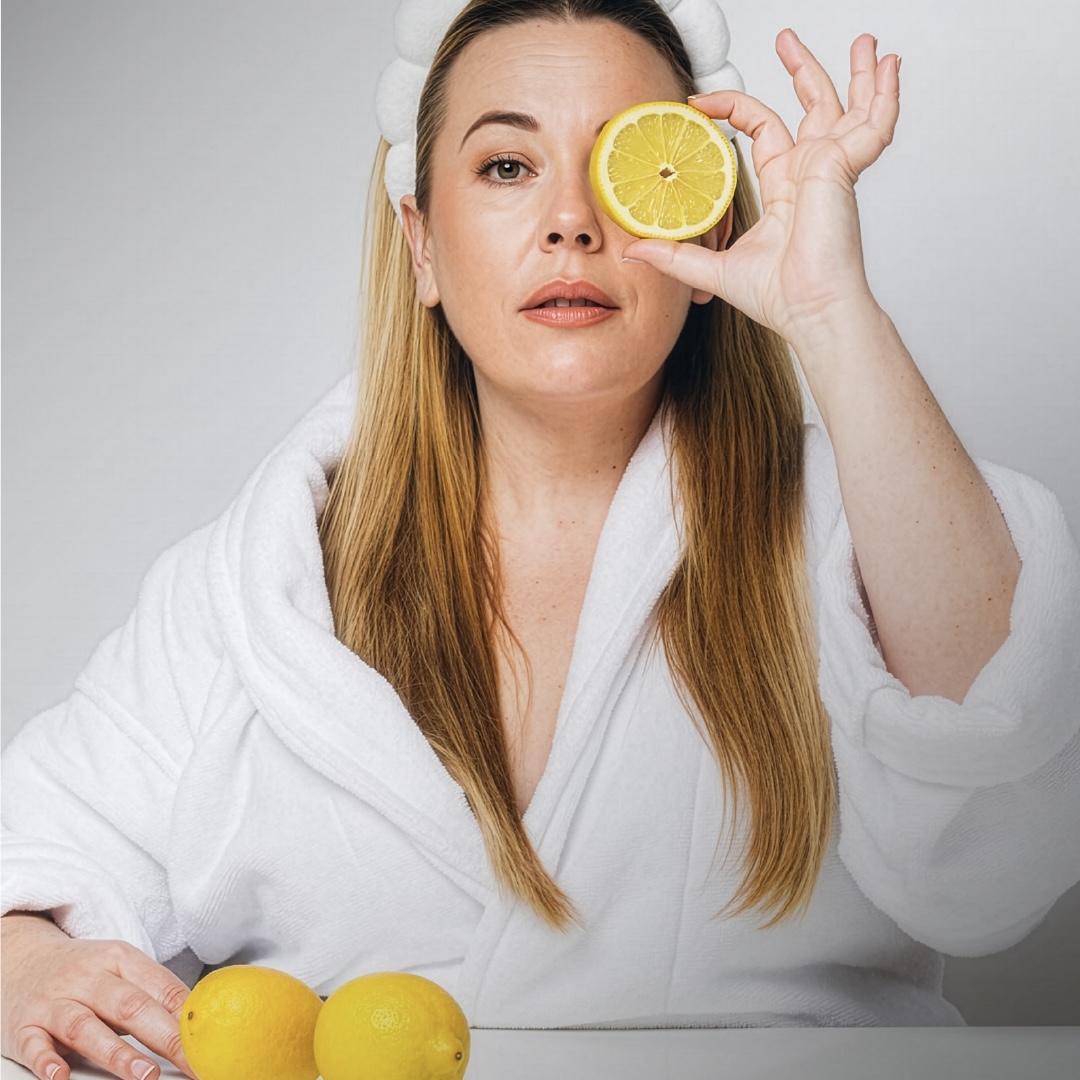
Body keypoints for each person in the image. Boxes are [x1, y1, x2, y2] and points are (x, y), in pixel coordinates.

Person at [3, 1, 1079, 1078]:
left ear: (705, 229)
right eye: (508, 167)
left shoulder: (860, 530)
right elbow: (35, 856)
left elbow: (1005, 855)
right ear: (422, 243)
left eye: (624, 160)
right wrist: (32, 968)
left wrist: (834, 314)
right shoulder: (263, 586)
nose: (571, 221)